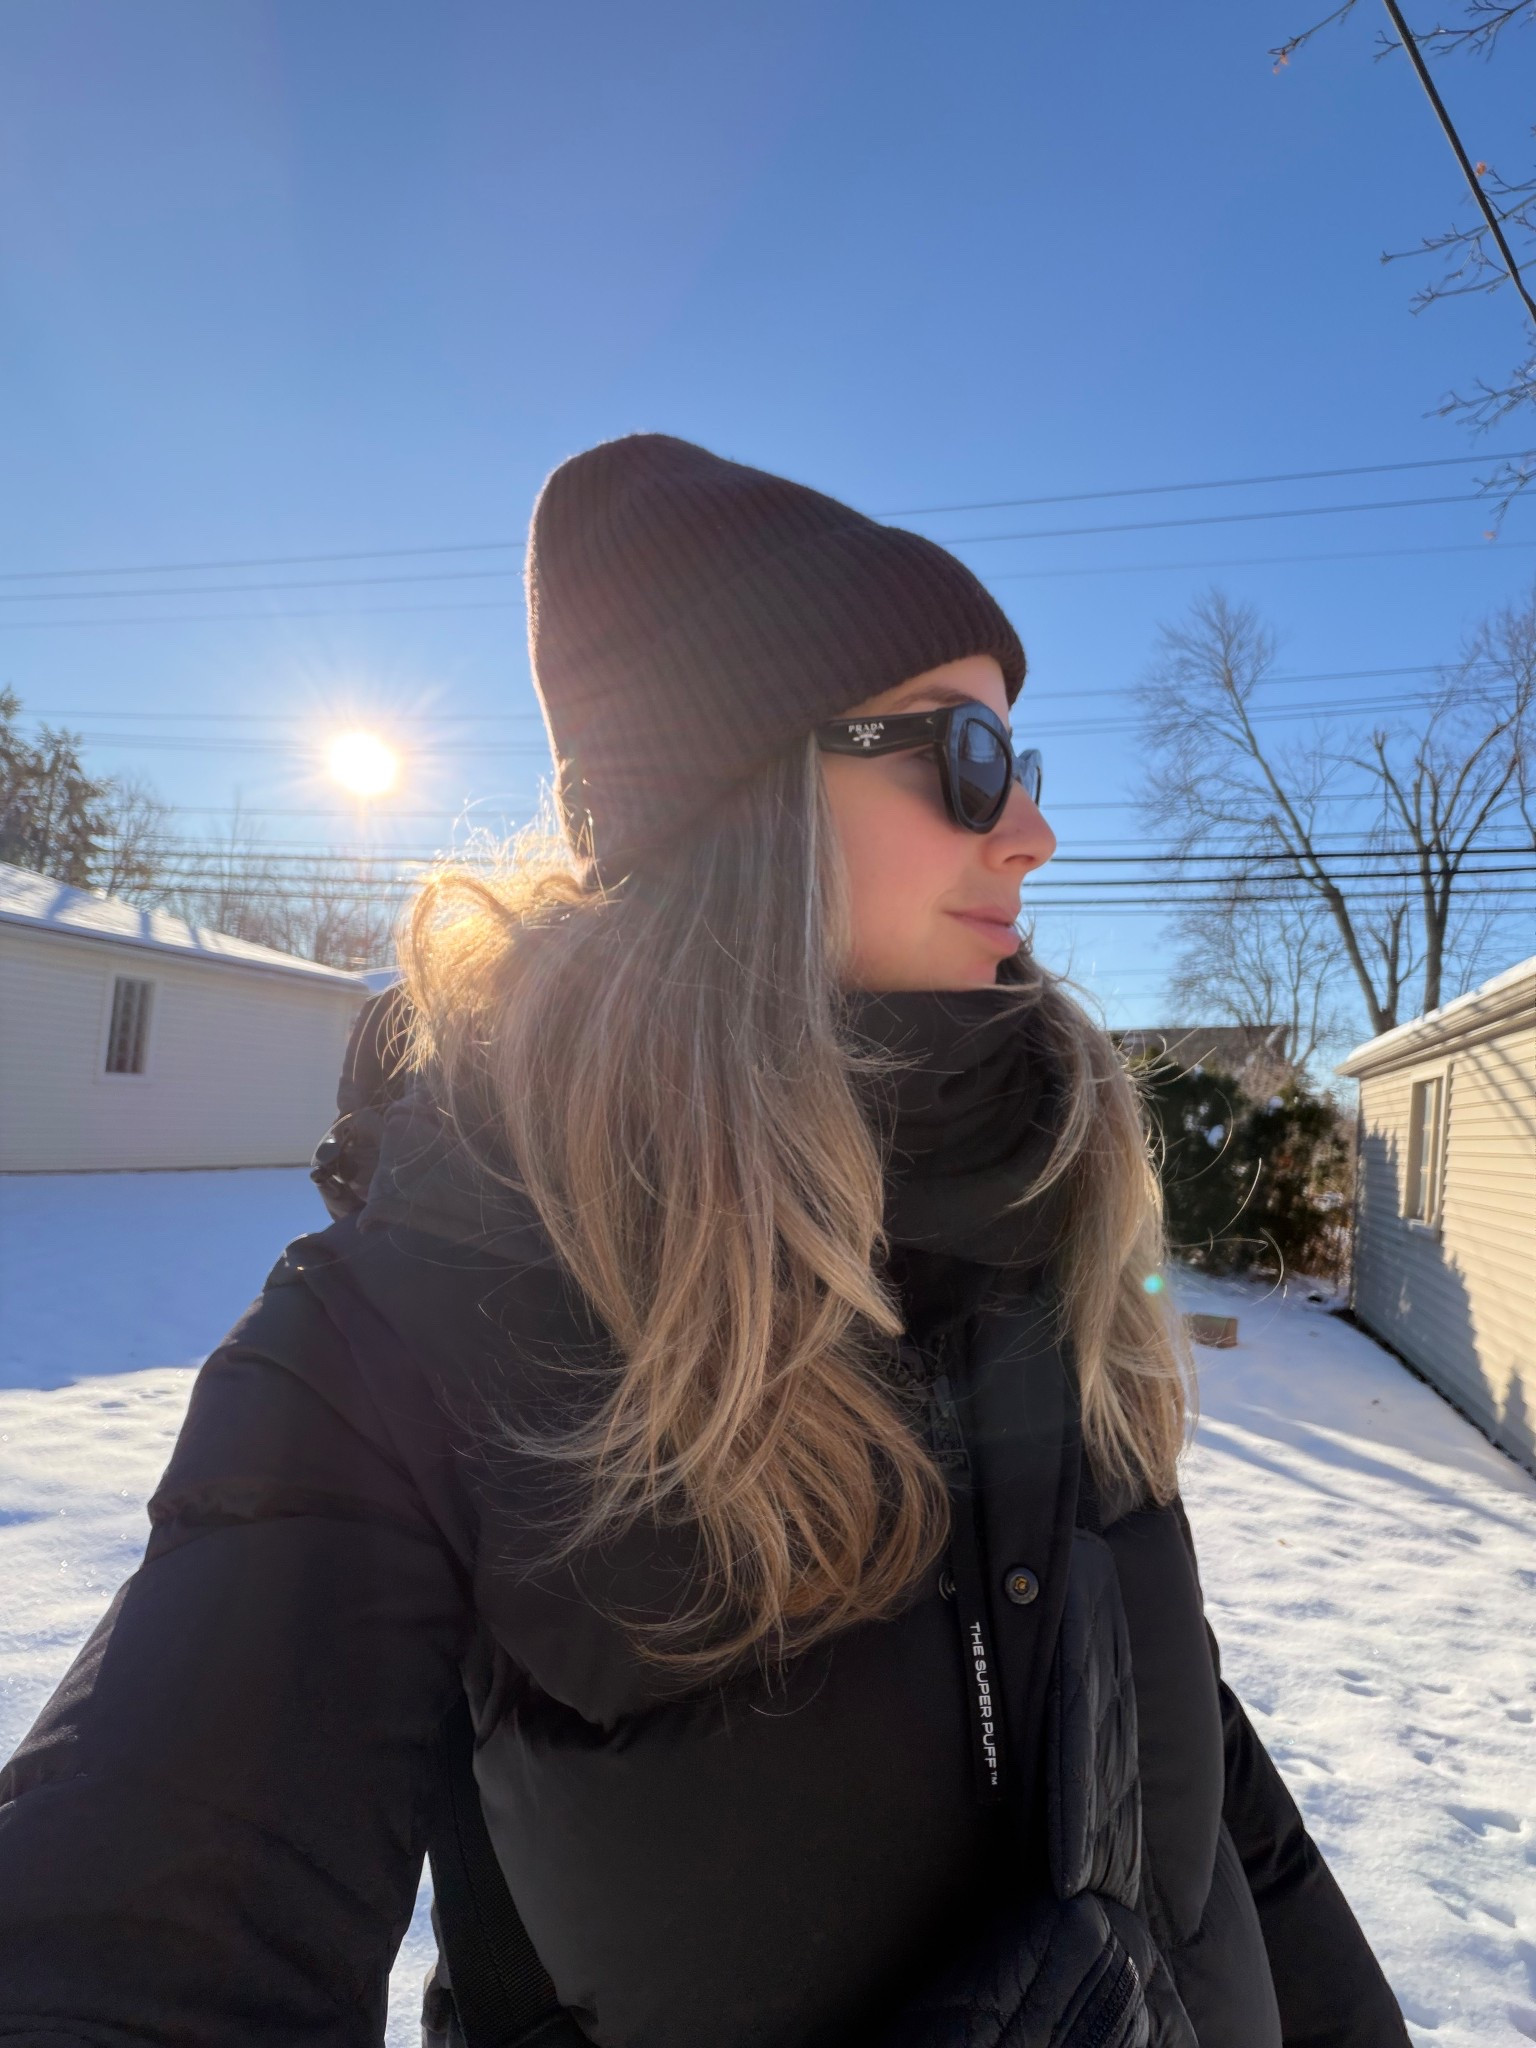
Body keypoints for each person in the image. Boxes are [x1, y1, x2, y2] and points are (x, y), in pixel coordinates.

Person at [0, 435, 1410, 2048]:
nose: (1031, 831)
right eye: (966, 756)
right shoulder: (405, 1333)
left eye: (1026, 762)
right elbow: (137, 1935)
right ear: (738, 795)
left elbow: (1204, 1793)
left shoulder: (1048, 1211)